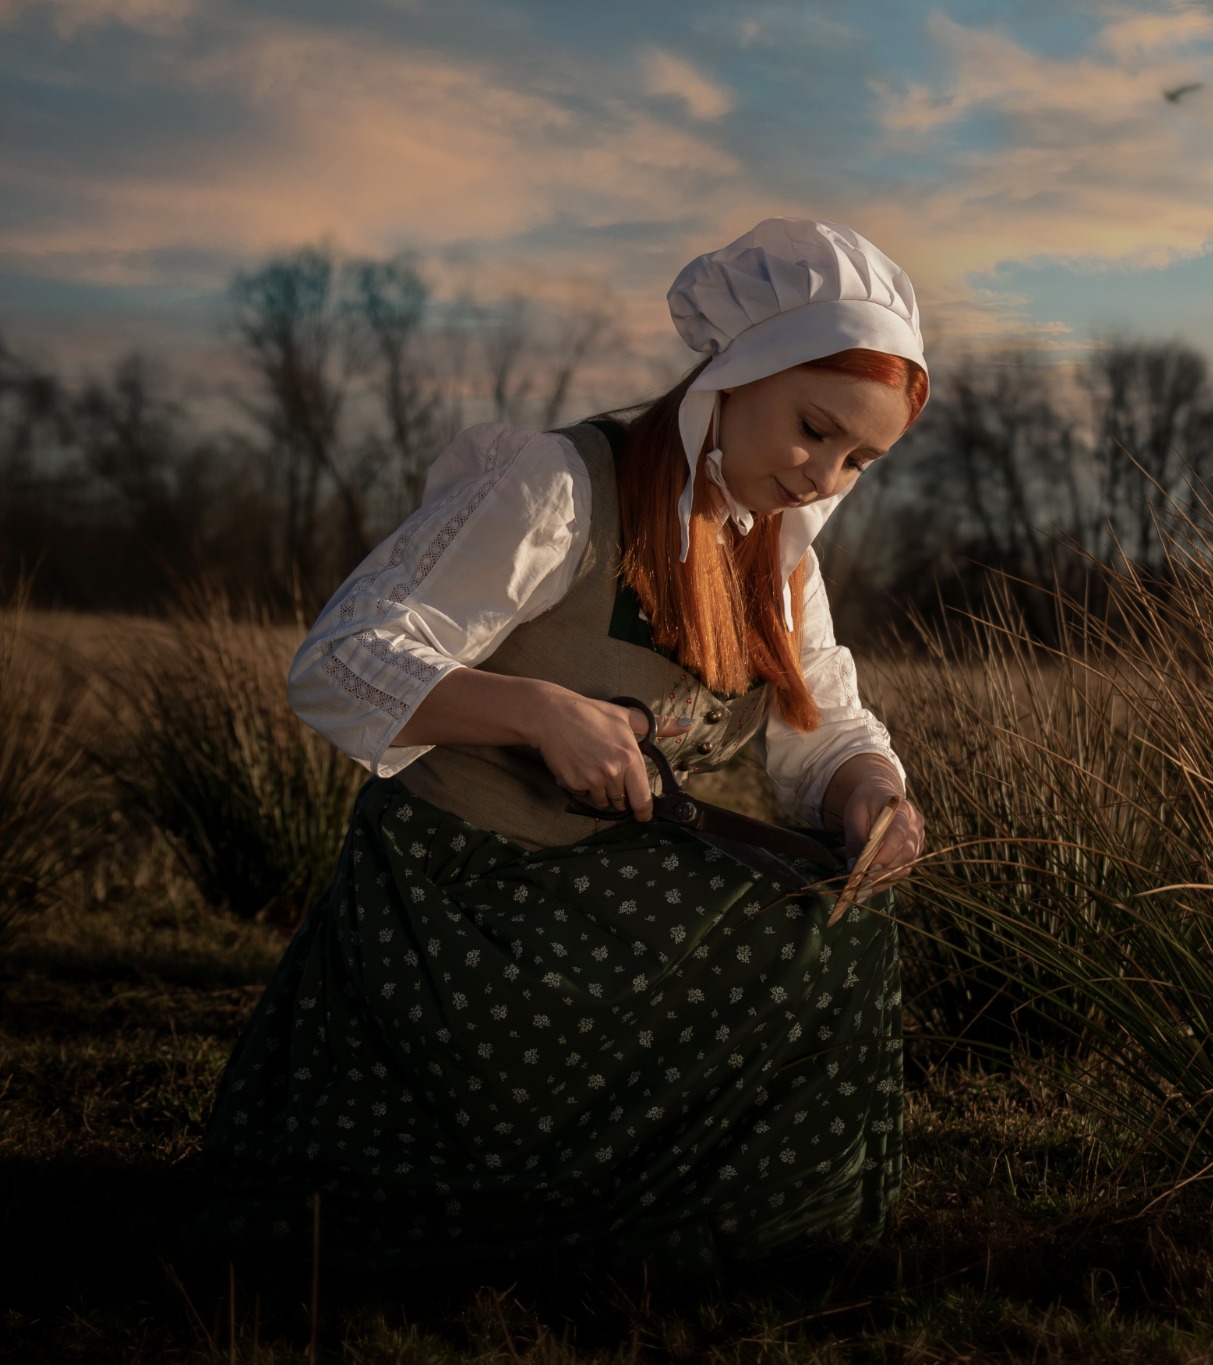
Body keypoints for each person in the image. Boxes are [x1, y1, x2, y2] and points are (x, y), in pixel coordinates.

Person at [190, 217, 930, 1274]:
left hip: (612, 887)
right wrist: (534, 711)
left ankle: (692, 1224)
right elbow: (342, 660)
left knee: (832, 926)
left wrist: (867, 793)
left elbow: (822, 725)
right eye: (812, 429)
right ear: (735, 371)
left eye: (859, 459)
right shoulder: (555, 487)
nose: (822, 475)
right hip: (461, 896)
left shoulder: (774, 558)